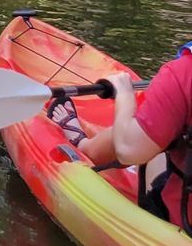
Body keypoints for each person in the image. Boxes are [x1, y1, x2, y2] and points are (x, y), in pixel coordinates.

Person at [75, 45, 192, 230]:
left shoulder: (183, 72)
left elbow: (128, 151)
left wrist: (124, 94)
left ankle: (84, 147)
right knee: (167, 133)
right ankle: (87, 147)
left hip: (184, 223)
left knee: (155, 141)